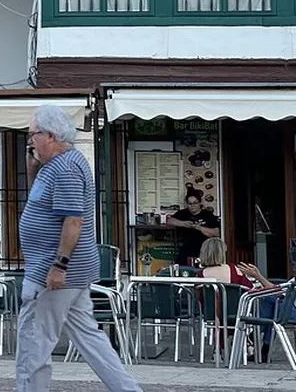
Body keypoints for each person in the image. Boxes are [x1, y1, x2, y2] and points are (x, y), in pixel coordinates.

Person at [15, 105, 141, 391]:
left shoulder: (66, 167)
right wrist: (32, 170)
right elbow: (44, 207)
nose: (29, 140)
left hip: (53, 273)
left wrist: (59, 266)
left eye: (32, 134)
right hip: (66, 272)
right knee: (90, 338)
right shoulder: (53, 167)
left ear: (50, 135)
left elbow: (74, 220)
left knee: (34, 340)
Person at [198, 236, 278, 362]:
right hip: (235, 313)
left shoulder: (201, 275)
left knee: (222, 317)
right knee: (256, 308)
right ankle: (247, 342)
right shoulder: (233, 269)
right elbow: (249, 288)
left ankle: (220, 348)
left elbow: (201, 297)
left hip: (212, 314)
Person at [167, 189, 220, 266]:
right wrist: (183, 223)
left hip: (205, 252)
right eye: (190, 203)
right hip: (186, 251)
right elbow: (169, 221)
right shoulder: (183, 213)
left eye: (195, 203)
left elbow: (216, 232)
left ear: (200, 202)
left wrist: (199, 228)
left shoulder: (208, 215)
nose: (192, 206)